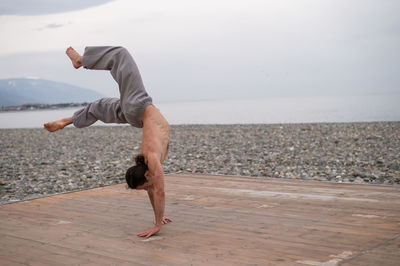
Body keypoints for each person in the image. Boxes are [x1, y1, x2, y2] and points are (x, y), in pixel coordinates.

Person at [44, 46, 171, 238]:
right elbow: (155, 190)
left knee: (120, 57)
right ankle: (67, 119)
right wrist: (157, 221)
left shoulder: (151, 160)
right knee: (101, 107)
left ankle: (81, 64)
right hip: (136, 115)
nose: (147, 189)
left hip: (137, 108)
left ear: (145, 174)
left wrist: (157, 223)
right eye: (144, 188)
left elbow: (158, 191)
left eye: (144, 186)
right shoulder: (150, 164)